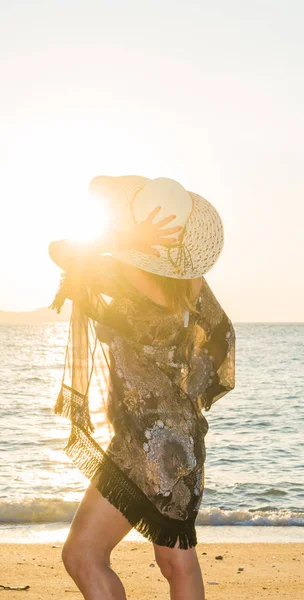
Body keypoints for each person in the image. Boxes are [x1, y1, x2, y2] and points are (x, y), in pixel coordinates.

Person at [48, 176, 235, 600]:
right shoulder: (192, 285)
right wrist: (188, 395)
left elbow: (59, 251)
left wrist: (126, 237)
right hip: (182, 440)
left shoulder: (118, 271)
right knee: (176, 561)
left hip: (141, 441)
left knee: (82, 555)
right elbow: (223, 336)